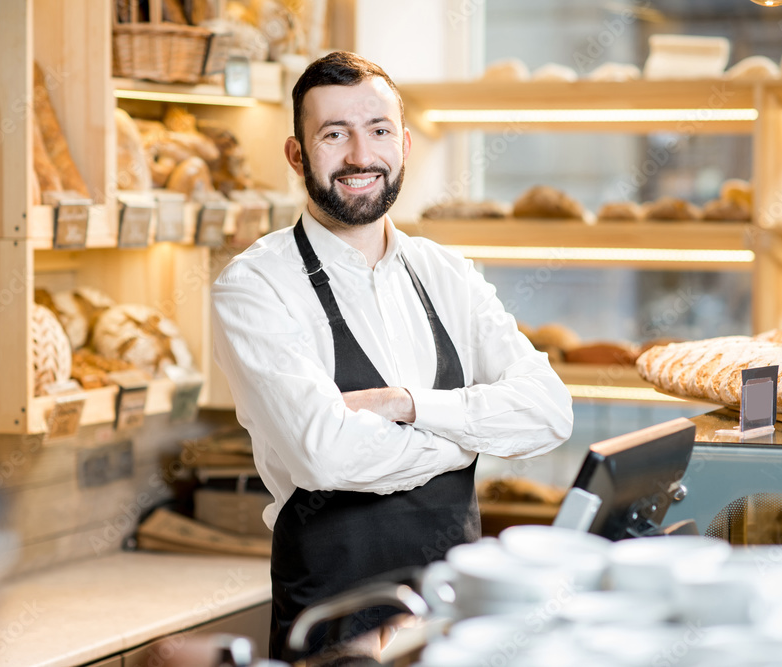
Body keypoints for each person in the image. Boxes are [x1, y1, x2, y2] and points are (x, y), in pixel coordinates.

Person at [210, 51, 574, 661]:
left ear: (403, 144)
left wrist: (407, 406)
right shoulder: (256, 286)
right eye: (334, 134)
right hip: (336, 625)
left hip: (451, 614)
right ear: (297, 155)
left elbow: (548, 412)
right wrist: (466, 436)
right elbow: (326, 455)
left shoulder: (443, 271)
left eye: (377, 130)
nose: (360, 155)